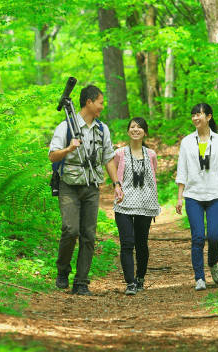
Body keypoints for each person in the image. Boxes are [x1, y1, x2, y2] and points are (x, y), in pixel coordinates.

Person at [49, 85, 124, 296]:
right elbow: (53, 155)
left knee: (89, 235)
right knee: (70, 230)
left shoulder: (102, 129)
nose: (103, 106)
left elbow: (107, 158)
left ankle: (81, 282)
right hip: (69, 186)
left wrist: (116, 184)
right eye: (100, 102)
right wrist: (69, 149)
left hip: (91, 187)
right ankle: (63, 270)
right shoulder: (65, 127)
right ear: (89, 102)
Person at [175, 103, 218, 291]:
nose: (195, 118)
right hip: (193, 195)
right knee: (198, 237)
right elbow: (182, 169)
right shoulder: (186, 141)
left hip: (216, 195)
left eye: (199, 114)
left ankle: (213, 263)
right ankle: (199, 278)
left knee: (215, 237)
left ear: (208, 117)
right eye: (193, 115)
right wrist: (179, 196)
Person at [113, 117, 161, 295]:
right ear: (128, 131)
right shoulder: (119, 153)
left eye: (139, 127)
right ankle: (130, 282)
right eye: (132, 127)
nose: (136, 130)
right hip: (123, 204)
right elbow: (114, 173)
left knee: (142, 243)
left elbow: (153, 177)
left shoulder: (151, 154)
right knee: (127, 243)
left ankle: (140, 277)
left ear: (145, 133)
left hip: (146, 204)